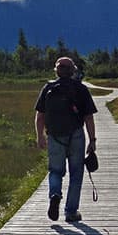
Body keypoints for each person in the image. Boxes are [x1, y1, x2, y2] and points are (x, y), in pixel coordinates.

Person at [34, 57, 98, 222]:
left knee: (55, 171)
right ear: (73, 71)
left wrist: (40, 136)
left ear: (56, 71)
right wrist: (92, 140)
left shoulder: (48, 88)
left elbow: (40, 116)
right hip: (76, 135)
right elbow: (88, 117)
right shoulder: (81, 89)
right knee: (76, 174)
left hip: (54, 136)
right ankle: (71, 212)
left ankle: (55, 194)